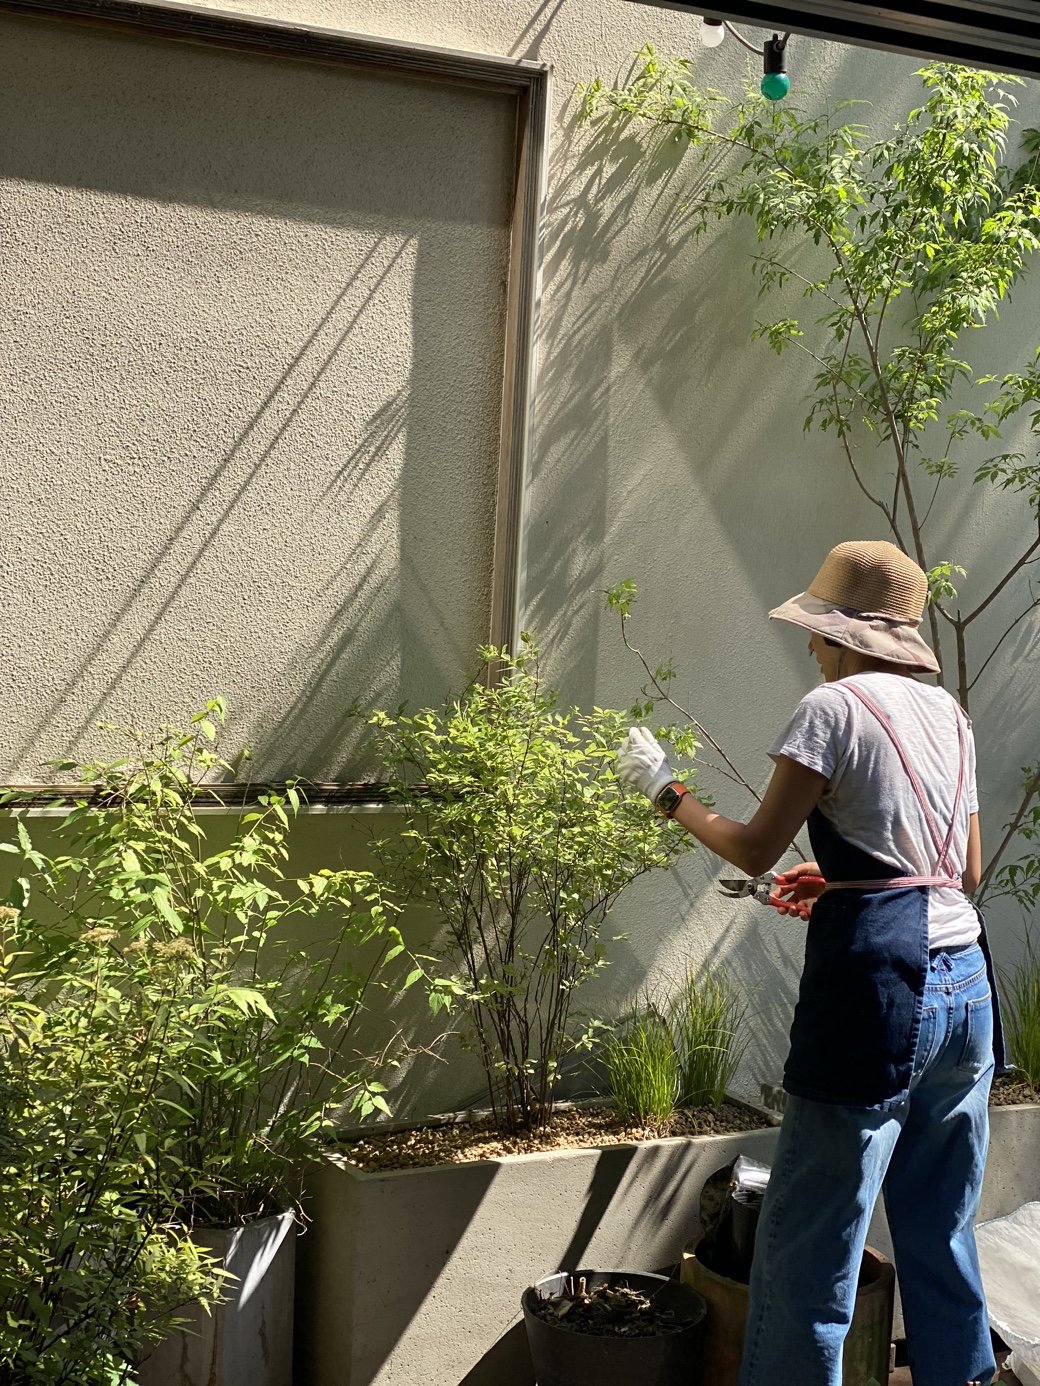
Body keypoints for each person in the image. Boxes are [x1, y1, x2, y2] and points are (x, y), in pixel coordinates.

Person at [616, 539, 1008, 1386]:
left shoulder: (832, 711)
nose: (810, 646)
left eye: (819, 631)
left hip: (880, 994)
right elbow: (962, 873)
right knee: (939, 1222)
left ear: (845, 635)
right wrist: (842, 880)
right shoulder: (953, 717)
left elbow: (755, 849)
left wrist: (667, 793)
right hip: (967, 985)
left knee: (811, 1238)